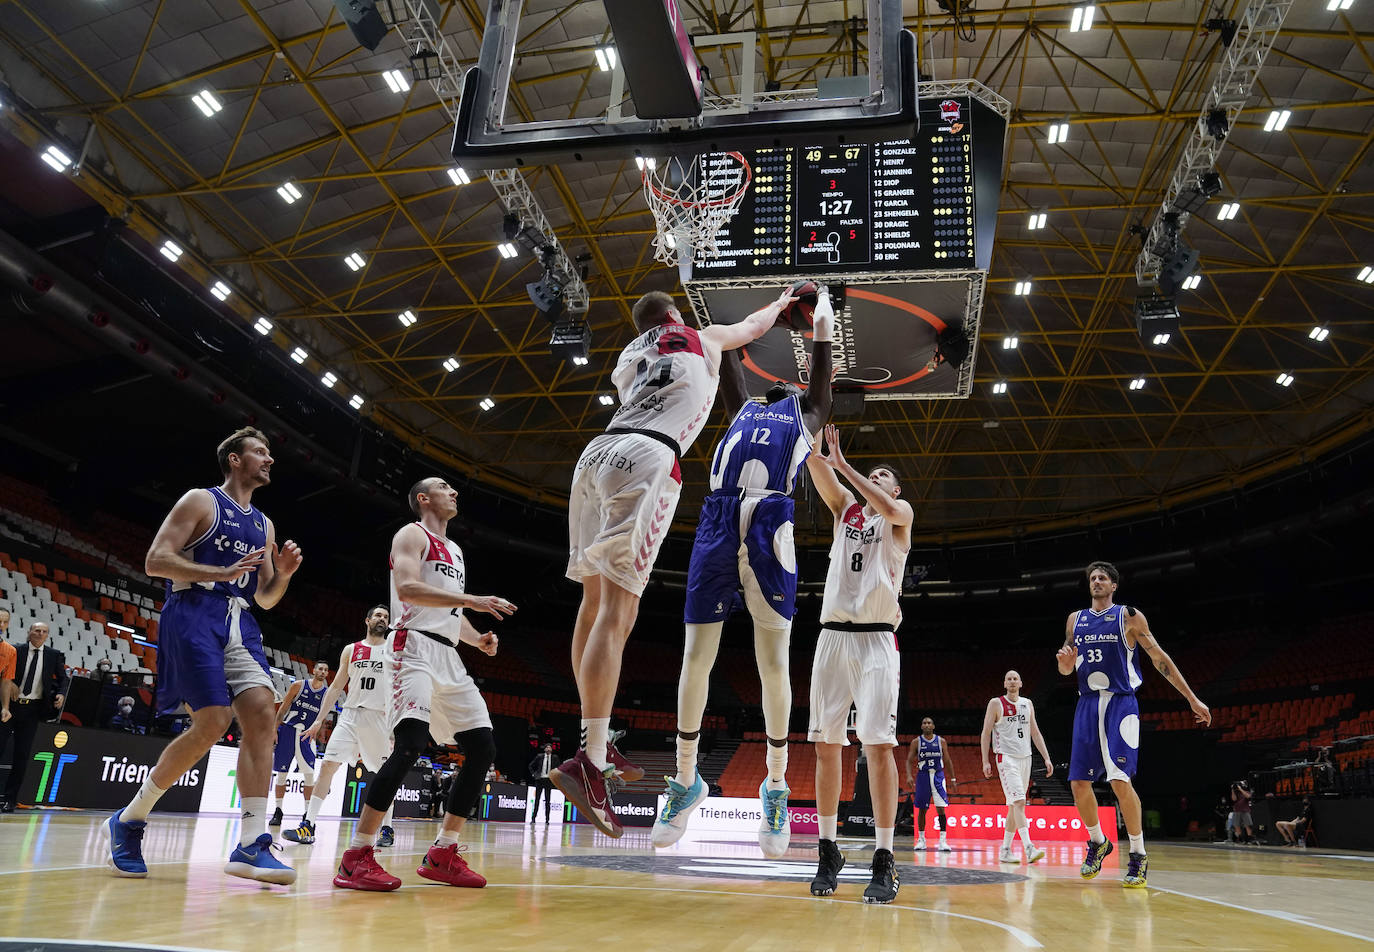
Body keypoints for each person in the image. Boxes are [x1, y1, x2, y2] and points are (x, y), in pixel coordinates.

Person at [554, 286, 797, 836]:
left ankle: (593, 741)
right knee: (619, 613)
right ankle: (591, 758)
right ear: (676, 315)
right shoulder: (702, 338)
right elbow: (752, 329)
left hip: (595, 454)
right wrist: (781, 302)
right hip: (647, 456)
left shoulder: (630, 355)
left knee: (590, 604)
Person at [653, 287, 835, 857]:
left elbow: (824, 368)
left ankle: (776, 784)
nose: (779, 384)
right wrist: (763, 308)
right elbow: (727, 349)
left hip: (770, 524)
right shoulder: (742, 409)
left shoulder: (805, 416)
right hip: (718, 517)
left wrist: (821, 312)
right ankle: (687, 779)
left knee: (772, 661)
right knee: (695, 655)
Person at [105, 427, 302, 882]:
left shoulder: (264, 524)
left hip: (240, 619)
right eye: (259, 452)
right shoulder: (201, 500)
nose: (268, 459)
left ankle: (253, 845)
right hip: (193, 610)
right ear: (234, 460)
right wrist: (220, 569)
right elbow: (156, 560)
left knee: (261, 715)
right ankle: (130, 818)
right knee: (212, 723)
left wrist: (285, 574)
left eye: (269, 453)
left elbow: (267, 597)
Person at [333, 476, 516, 891]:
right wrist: (473, 600)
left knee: (483, 747)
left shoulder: (455, 550)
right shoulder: (411, 534)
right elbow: (409, 588)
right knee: (412, 744)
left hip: (447, 653)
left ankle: (443, 853)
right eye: (444, 487)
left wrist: (477, 638)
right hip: (410, 648)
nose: (454, 492)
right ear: (423, 498)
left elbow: (449, 613)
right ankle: (356, 856)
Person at [797, 423, 910, 903]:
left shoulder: (899, 514)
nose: (876, 477)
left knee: (878, 747)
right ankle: (828, 850)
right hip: (832, 637)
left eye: (883, 474)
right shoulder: (846, 511)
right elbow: (815, 468)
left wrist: (845, 465)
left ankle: (884, 859)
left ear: (895, 488)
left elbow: (881, 504)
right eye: (872, 472)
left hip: (878, 641)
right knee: (826, 745)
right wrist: (808, 435)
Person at [1056, 560, 1211, 888]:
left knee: (1119, 781)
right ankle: (1099, 842)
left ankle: (1138, 854)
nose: (1096, 581)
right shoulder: (1075, 620)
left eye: (1103, 578)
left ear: (1114, 586)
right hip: (1087, 704)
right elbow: (1067, 669)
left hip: (1121, 703)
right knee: (1078, 784)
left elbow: (1159, 659)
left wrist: (1192, 698)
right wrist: (1066, 666)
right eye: (1093, 578)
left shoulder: (1128, 616)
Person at [292, 606, 397, 847]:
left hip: (378, 717)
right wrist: (319, 719)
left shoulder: (392, 651)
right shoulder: (352, 649)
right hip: (349, 715)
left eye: (386, 617)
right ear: (367, 620)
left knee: (385, 775)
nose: (382, 619)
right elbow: (337, 686)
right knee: (328, 765)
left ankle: (387, 827)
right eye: (378, 615)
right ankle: (308, 825)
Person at [979, 670, 1053, 865]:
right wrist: (985, 760)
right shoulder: (995, 703)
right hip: (1006, 757)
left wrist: (1046, 758)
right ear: (1004, 683)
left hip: (1025, 758)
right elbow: (986, 733)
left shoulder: (1027, 704)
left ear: (1021, 683)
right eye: (1009, 679)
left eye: (1015, 678)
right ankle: (1029, 848)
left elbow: (1035, 733)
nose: (1012, 681)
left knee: (1014, 805)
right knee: (1020, 802)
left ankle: (1005, 850)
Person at [0, 621, 68, 812]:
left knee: (21, 756)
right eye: (36, 630)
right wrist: (9, 682)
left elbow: (63, 678)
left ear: (47, 635)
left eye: (44, 631)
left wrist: (61, 693)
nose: (39, 633)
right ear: (29, 632)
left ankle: (10, 800)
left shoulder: (53, 655)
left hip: (33, 711)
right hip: (9, 706)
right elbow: (4, 672)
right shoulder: (15, 650)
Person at [268, 660, 329, 829]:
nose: (323, 672)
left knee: (309, 775)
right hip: (288, 730)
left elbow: (322, 719)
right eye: (320, 669)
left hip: (307, 736)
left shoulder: (327, 693)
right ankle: (278, 811)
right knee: (281, 774)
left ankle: (308, 814)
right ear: (314, 670)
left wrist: (320, 735)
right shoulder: (298, 685)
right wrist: (274, 729)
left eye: (326, 670)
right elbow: (282, 709)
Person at [907, 717, 955, 851]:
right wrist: (909, 775)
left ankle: (943, 841)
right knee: (922, 809)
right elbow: (909, 760)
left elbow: (947, 760)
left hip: (938, 775)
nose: (927, 725)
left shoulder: (941, 741)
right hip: (923, 776)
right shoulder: (916, 742)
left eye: (929, 723)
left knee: (941, 808)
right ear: (922, 726)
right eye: (924, 723)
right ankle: (921, 840)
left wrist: (953, 779)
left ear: (933, 726)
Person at [528, 742, 556, 824]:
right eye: (547, 747)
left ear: (551, 749)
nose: (548, 748)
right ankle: (533, 819)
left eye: (550, 747)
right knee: (537, 800)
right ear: (544, 749)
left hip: (548, 780)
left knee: (548, 800)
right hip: (540, 780)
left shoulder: (554, 758)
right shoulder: (539, 756)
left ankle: (547, 820)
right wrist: (534, 774)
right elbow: (530, 765)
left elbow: (558, 768)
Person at [1229, 780, 1255, 844]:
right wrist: (1232, 790)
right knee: (1237, 825)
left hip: (1245, 810)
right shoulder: (1236, 793)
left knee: (1247, 825)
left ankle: (1249, 839)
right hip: (1237, 810)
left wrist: (1240, 789)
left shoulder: (1247, 792)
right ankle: (1241, 839)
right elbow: (1234, 799)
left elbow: (1248, 796)